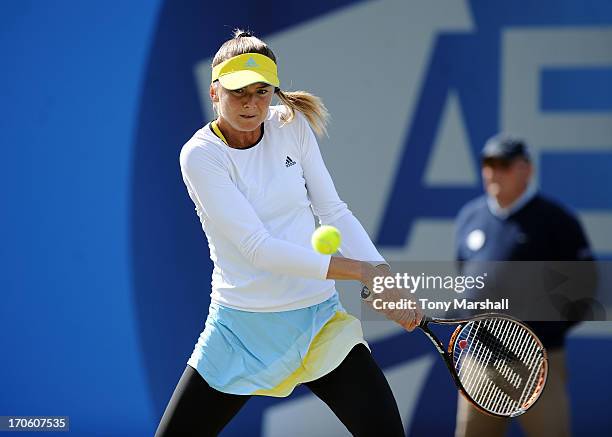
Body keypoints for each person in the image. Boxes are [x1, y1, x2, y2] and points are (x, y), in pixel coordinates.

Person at [154, 29, 421, 437]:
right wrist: (365, 274)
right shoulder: (200, 156)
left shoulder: (291, 126)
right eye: (238, 91)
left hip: (318, 324)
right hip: (241, 332)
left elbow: (333, 210)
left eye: (261, 91)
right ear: (214, 93)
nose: (250, 102)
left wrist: (382, 273)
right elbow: (257, 249)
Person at [453, 134, 594, 437]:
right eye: (487, 164)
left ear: (526, 170)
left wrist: (541, 333)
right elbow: (465, 278)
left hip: (539, 362)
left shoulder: (557, 221)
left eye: (503, 164)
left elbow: (584, 291)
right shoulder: (470, 218)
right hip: (480, 361)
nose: (493, 172)